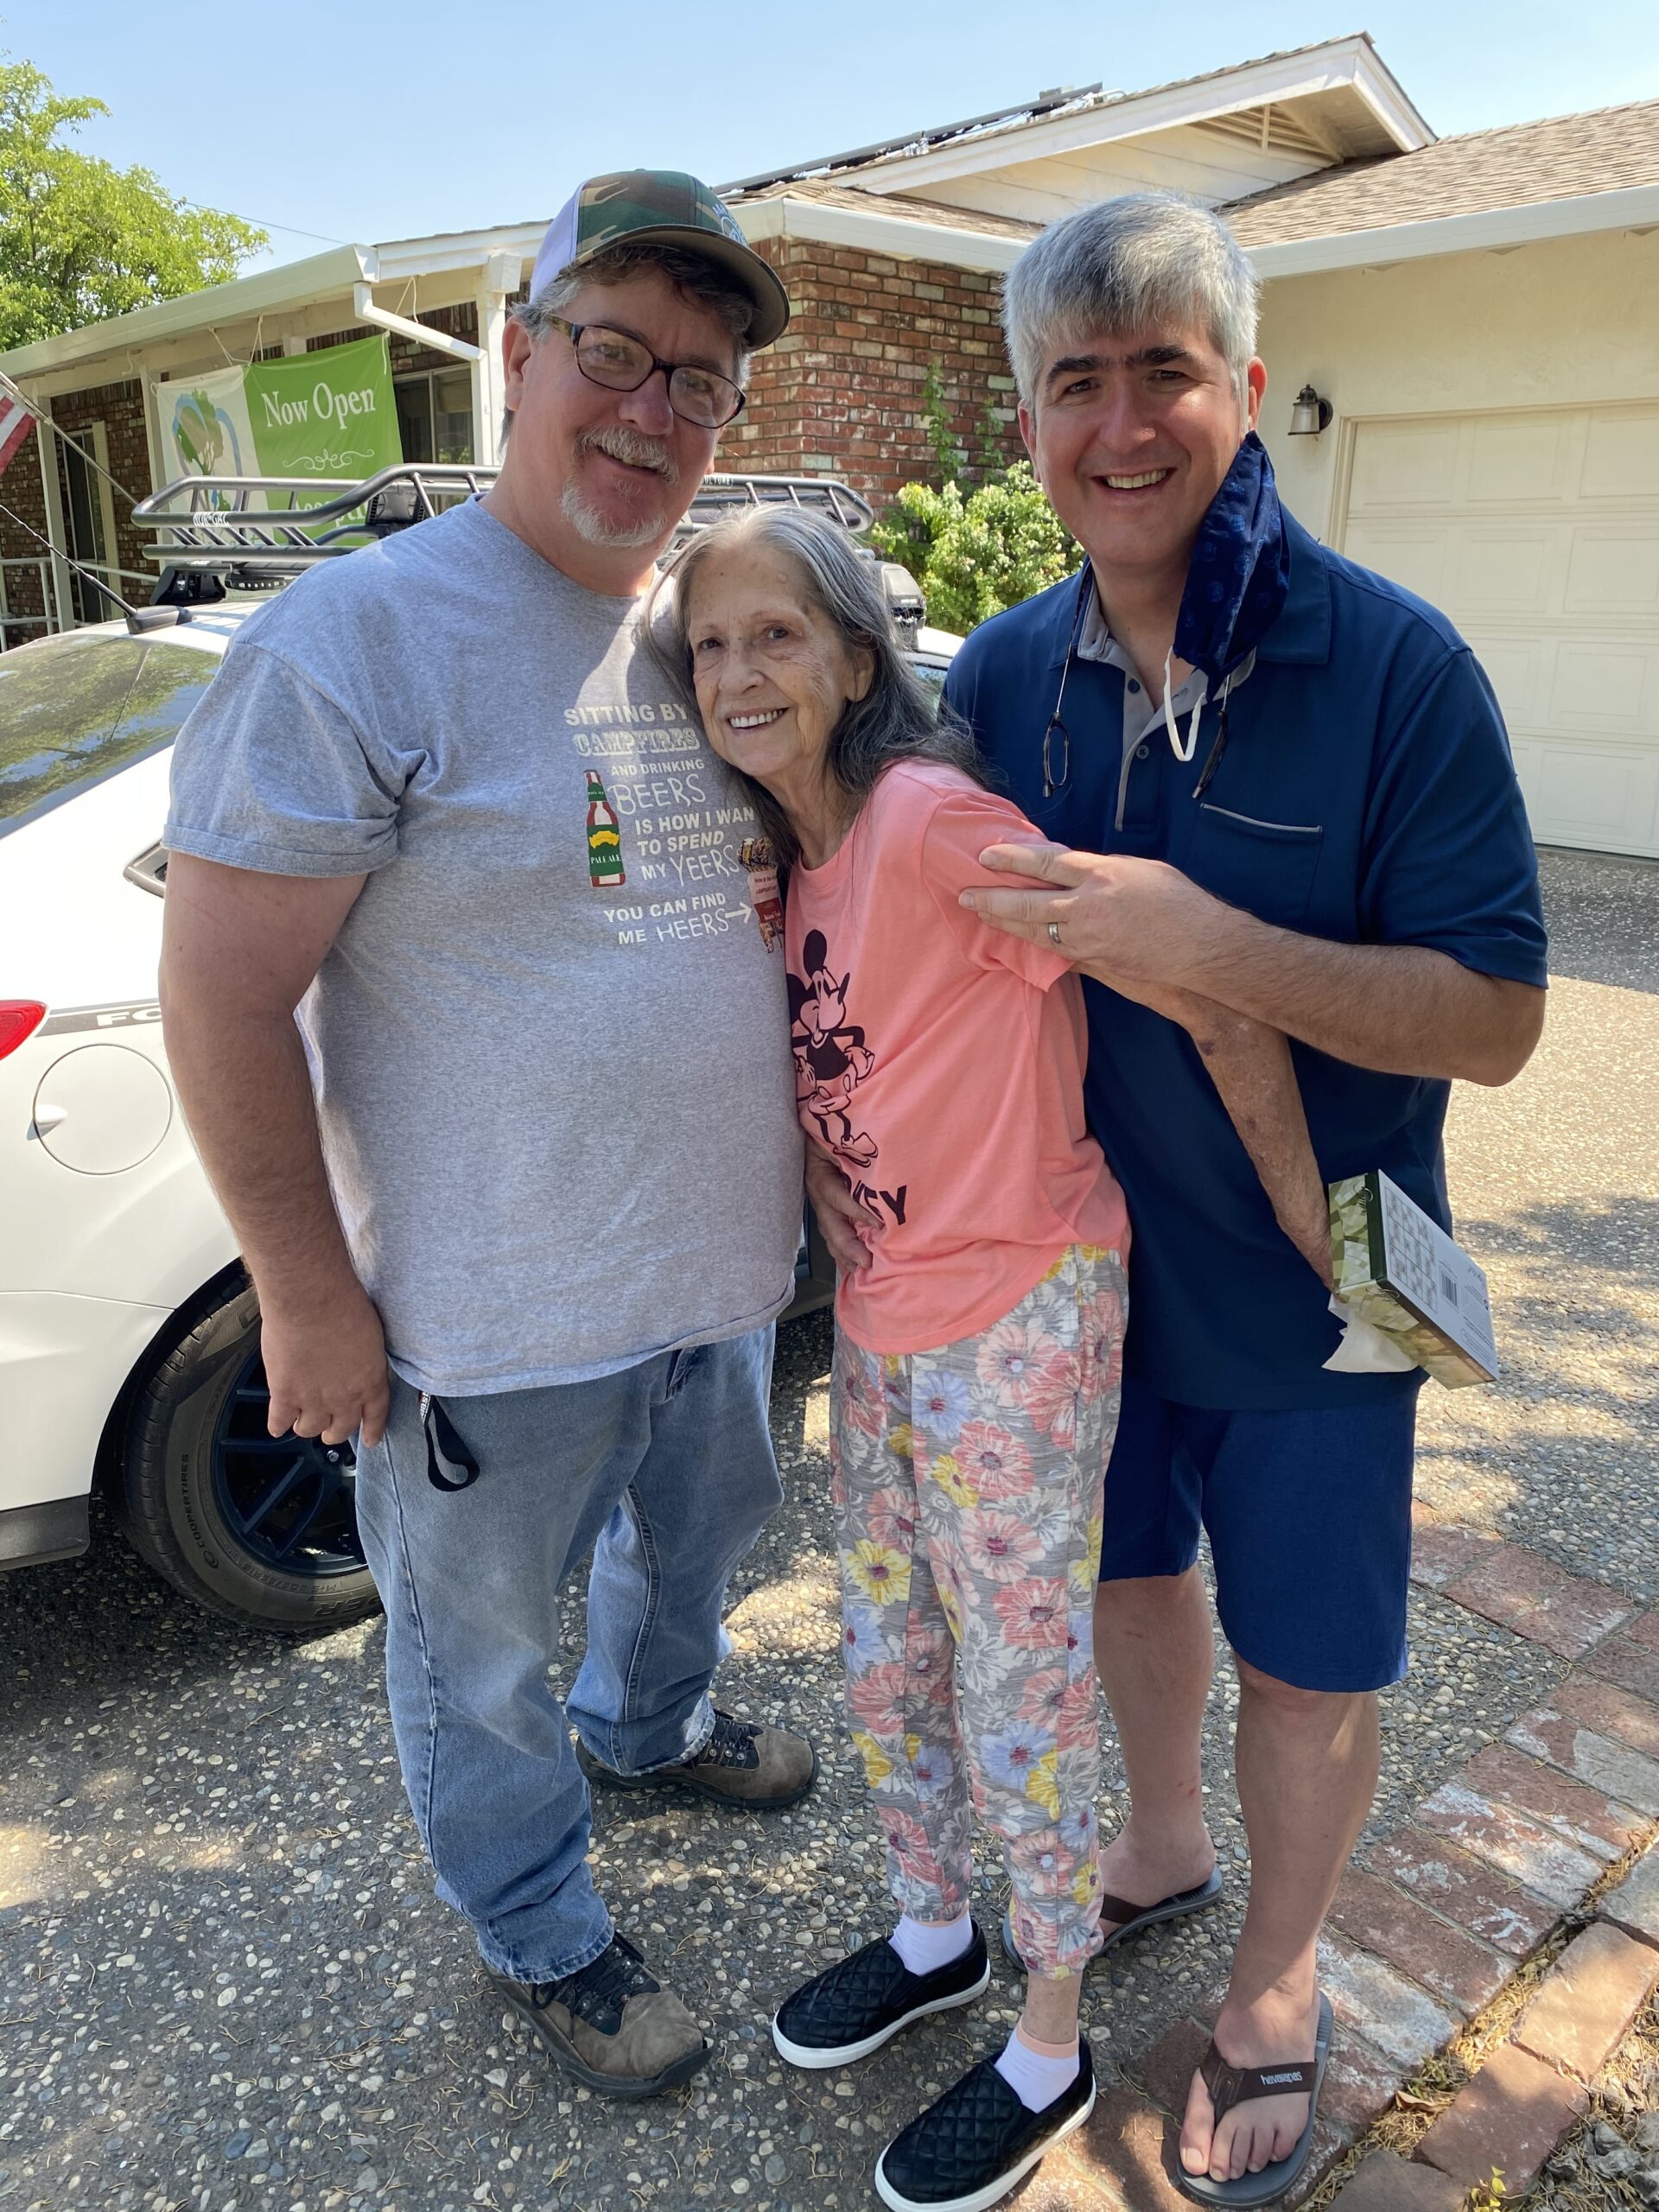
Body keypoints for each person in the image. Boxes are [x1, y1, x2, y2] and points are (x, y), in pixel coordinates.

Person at [158, 171, 820, 2102]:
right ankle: (538, 1916)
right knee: (474, 1663)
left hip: (715, 1281)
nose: (650, 409)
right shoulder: (357, 639)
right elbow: (220, 997)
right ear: (515, 356)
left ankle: (656, 1717)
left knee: (694, 1550)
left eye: (698, 381)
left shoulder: (714, 627)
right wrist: (303, 1291)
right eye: (610, 352)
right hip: (488, 1320)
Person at [944, 192, 1548, 2205]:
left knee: (1311, 1654)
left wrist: (1215, 938)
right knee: (1130, 1584)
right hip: (1078, 1283)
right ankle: (1160, 1841)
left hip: (1314, 1274)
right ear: (1024, 421)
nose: (1123, 425)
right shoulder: (1003, 680)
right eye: (1074, 382)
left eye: (1165, 373)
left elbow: (1497, 1014)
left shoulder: (1394, 667)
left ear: (1247, 388)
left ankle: (1278, 1976)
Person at [655, 505, 1331, 2212]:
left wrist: (1310, 1215)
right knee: (887, 1642)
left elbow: (1171, 958)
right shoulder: (794, 862)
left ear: (855, 660)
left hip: (1019, 1305)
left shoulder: (926, 817)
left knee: (1018, 1673)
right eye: (710, 644)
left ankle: (1048, 2027)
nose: (739, 671)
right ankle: (934, 1927)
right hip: (887, 1317)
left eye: (775, 635)